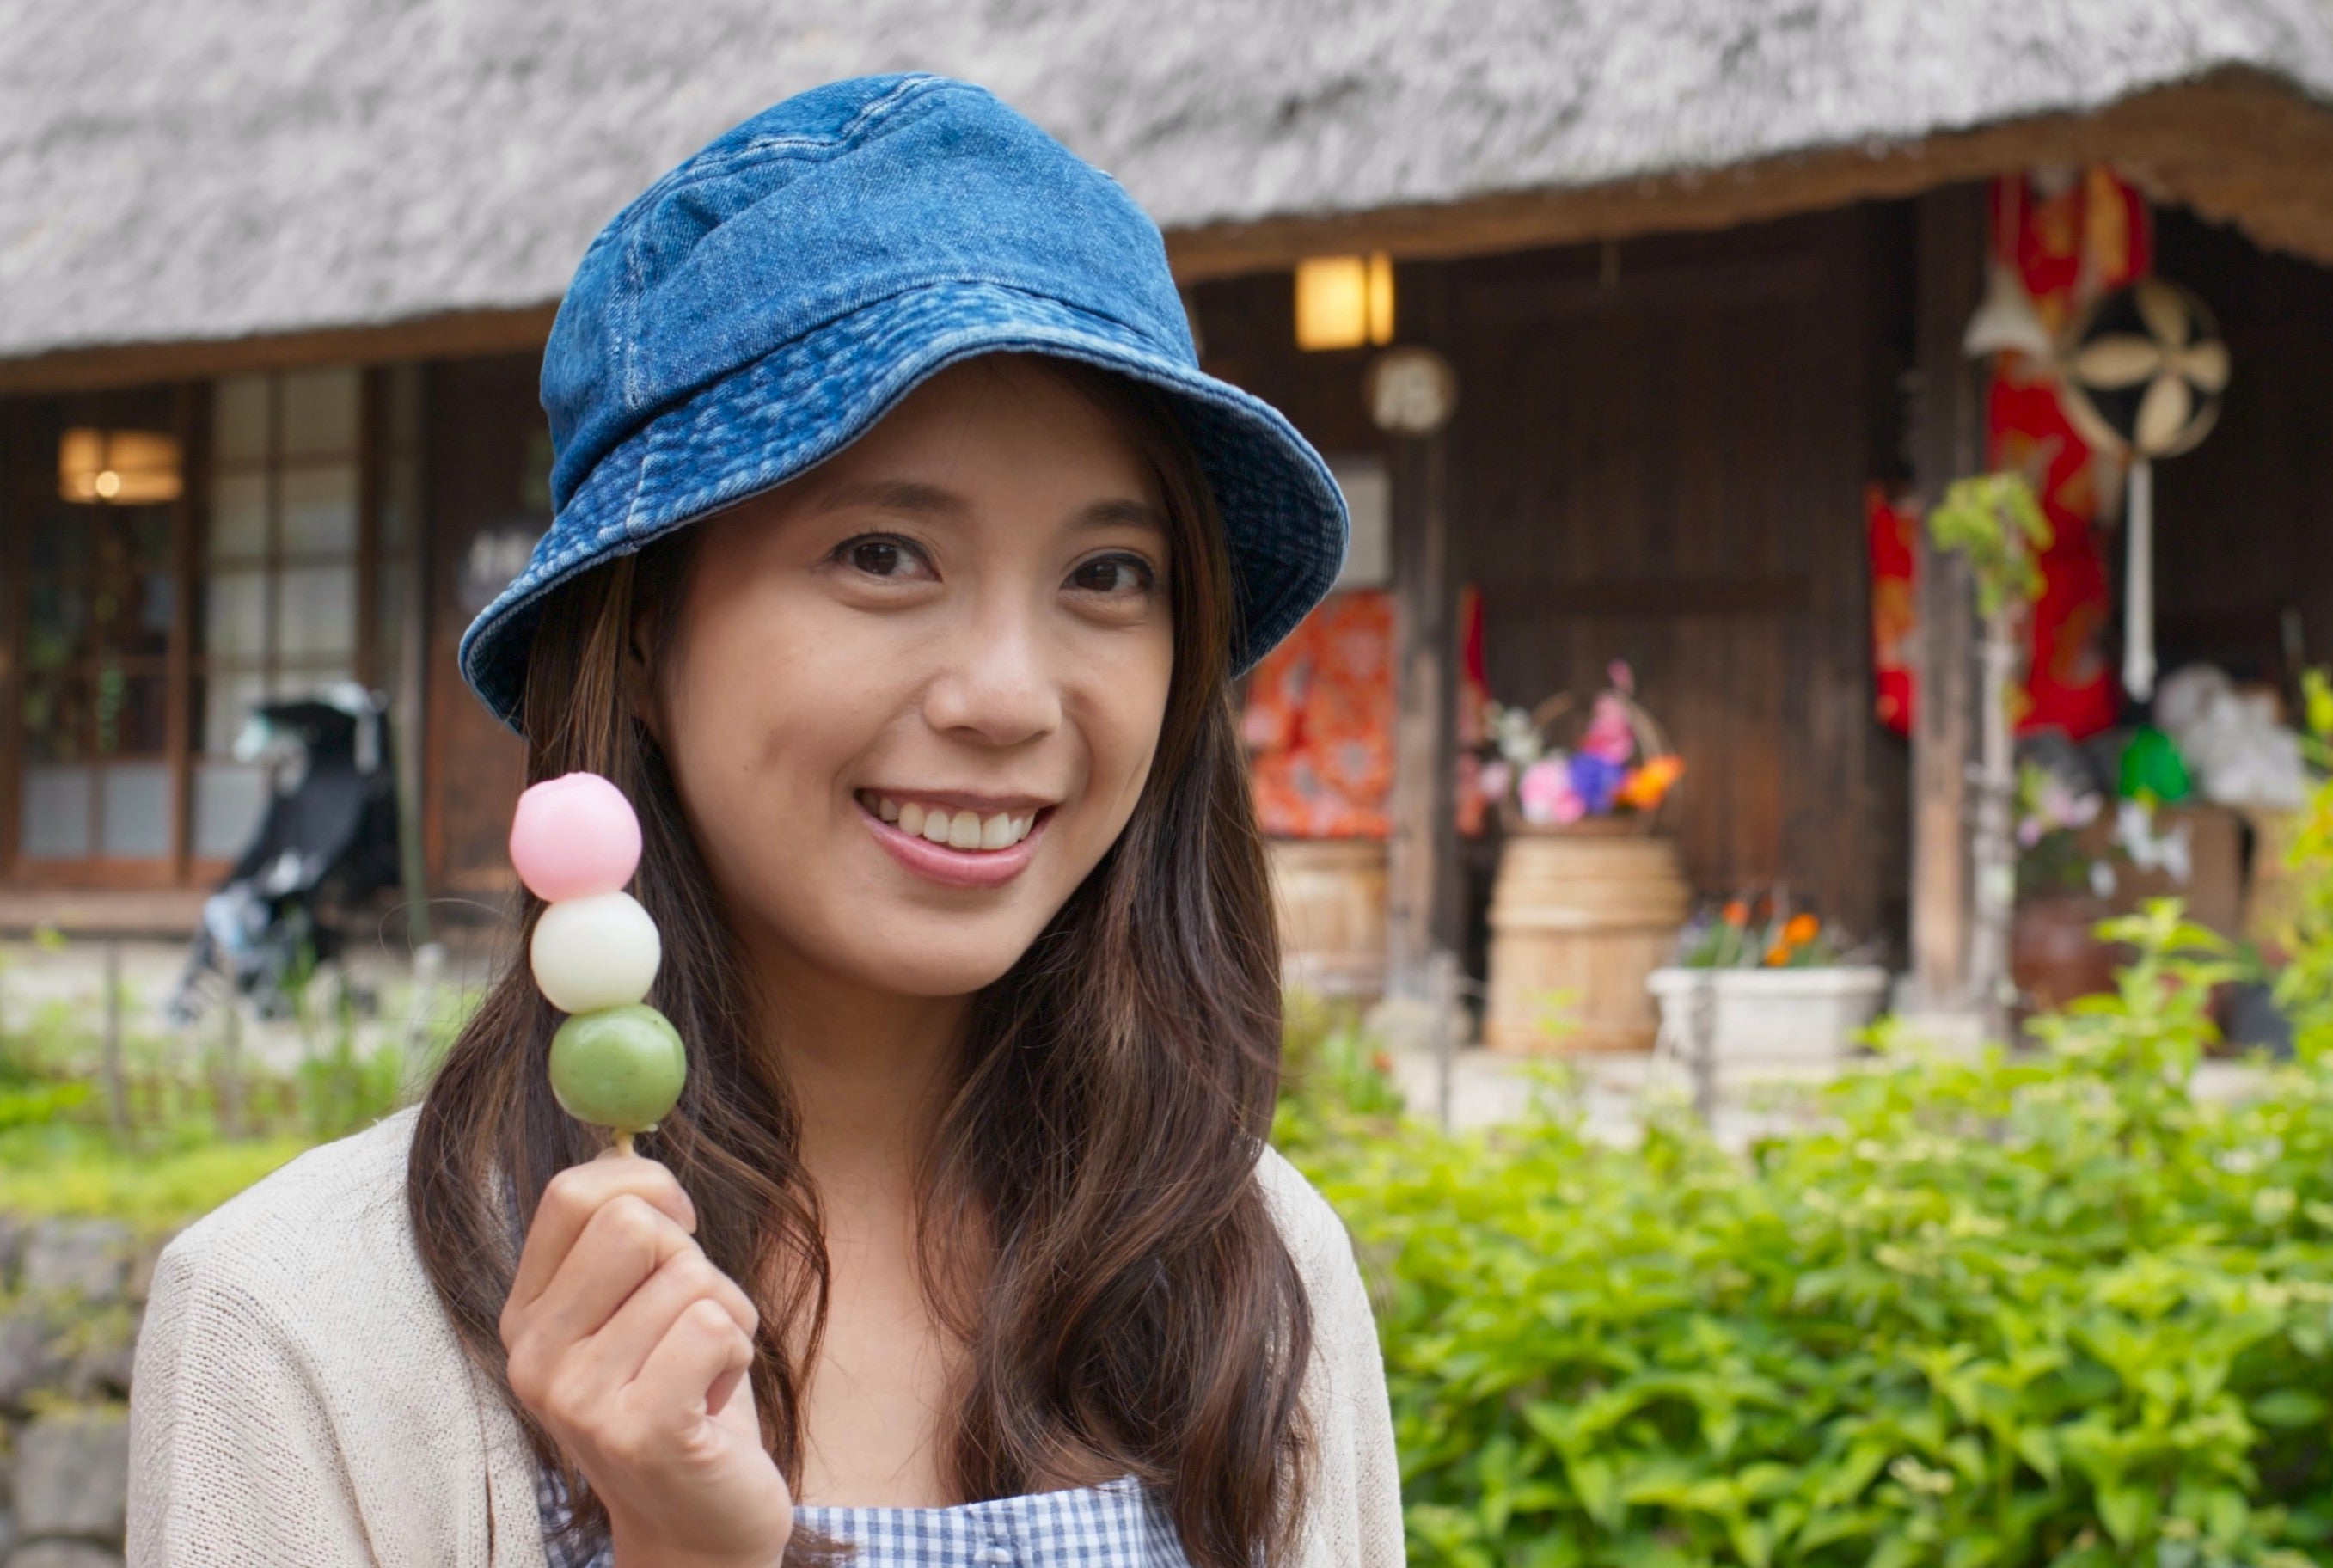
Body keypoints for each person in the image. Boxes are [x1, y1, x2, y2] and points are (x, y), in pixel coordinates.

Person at [127, 73, 1405, 1568]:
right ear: (641, 629)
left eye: (1107, 575)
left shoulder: (1253, 1270)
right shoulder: (301, 1327)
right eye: (883, 553)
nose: (1008, 697)